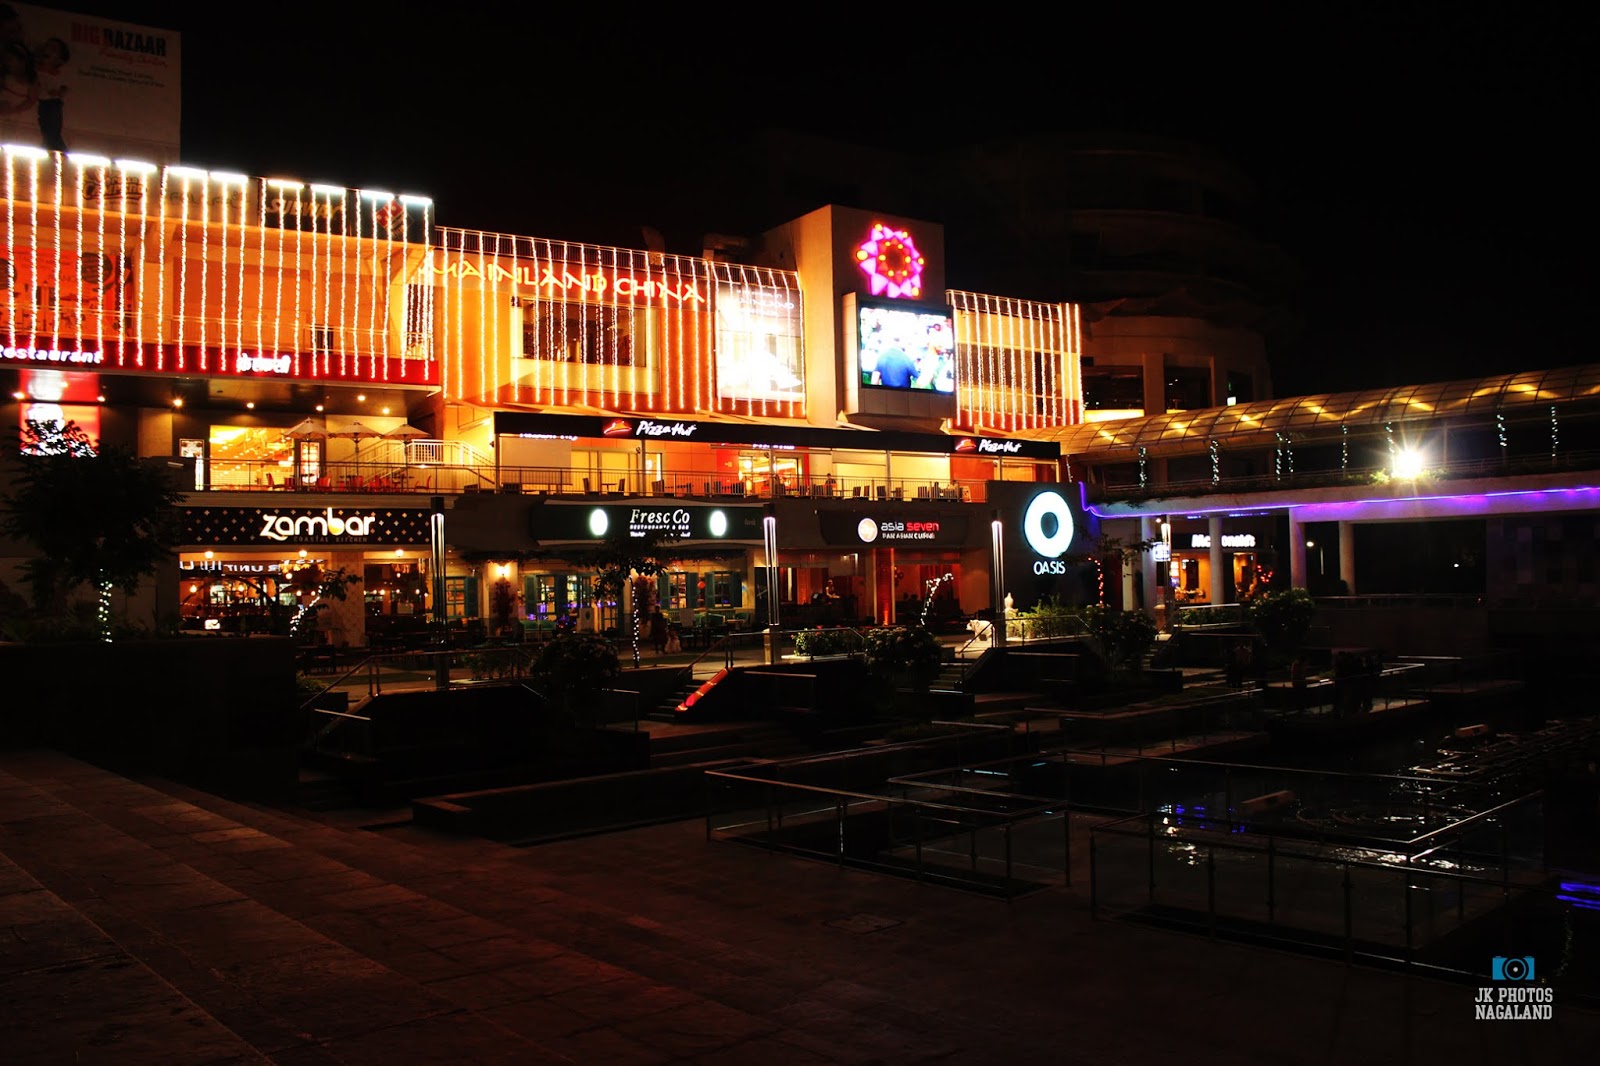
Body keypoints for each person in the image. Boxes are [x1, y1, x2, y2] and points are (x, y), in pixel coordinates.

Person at [32, 37, 67, 152]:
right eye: (47, 46)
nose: (48, 50)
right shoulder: (36, 70)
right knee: (47, 130)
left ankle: (58, 151)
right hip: (43, 102)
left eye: (54, 49)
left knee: (52, 131)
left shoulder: (58, 74)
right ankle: (48, 148)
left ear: (59, 60)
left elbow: (64, 88)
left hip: (53, 103)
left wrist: (58, 92)